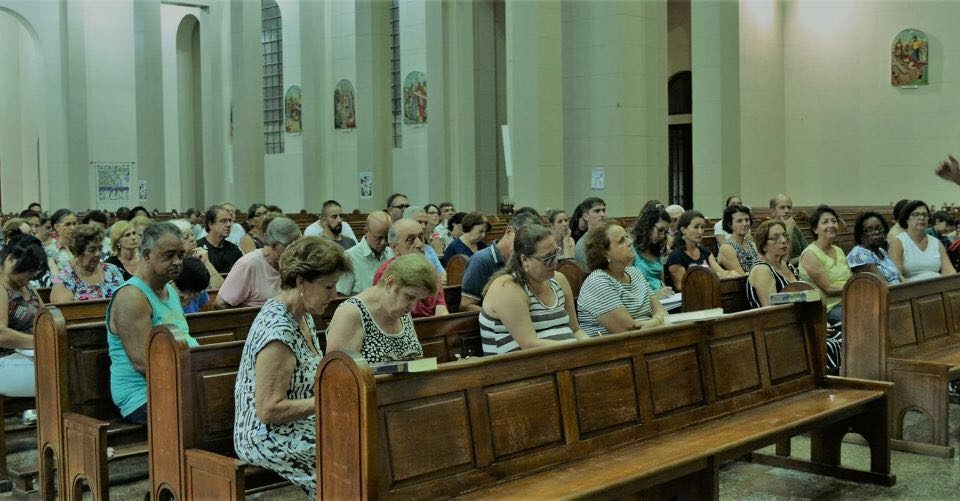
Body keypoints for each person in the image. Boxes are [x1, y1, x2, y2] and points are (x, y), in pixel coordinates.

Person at [234, 237, 350, 497]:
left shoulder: (304, 313)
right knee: (346, 453)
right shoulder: (278, 331)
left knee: (363, 436)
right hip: (265, 436)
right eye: (328, 287)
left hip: (298, 423)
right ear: (300, 282)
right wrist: (328, 402)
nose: (334, 295)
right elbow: (268, 410)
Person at [107, 222, 196, 424]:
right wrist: (197, 379)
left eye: (181, 255)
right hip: (142, 396)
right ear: (146, 255)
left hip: (175, 382)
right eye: (169, 255)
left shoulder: (170, 290)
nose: (177, 261)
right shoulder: (131, 296)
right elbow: (143, 362)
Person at [479, 224, 587, 355]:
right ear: (524, 259)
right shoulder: (508, 287)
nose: (555, 262)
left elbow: (575, 330)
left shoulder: (559, 280)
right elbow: (529, 344)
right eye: (547, 258)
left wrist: (590, 347)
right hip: (515, 369)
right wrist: (576, 351)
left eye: (556, 253)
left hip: (561, 361)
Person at [326, 253, 435, 362]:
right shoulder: (351, 313)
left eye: (419, 300)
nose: (413, 307)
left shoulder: (402, 312)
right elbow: (338, 373)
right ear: (390, 283)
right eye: (410, 297)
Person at [577, 221, 665, 337]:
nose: (630, 242)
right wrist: (658, 321)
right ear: (604, 253)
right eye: (621, 241)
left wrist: (654, 322)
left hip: (647, 340)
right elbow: (629, 331)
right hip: (614, 350)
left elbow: (663, 312)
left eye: (627, 237)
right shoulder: (598, 282)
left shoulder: (635, 273)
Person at [798, 204, 850, 373]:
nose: (831, 225)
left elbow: (848, 279)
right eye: (825, 222)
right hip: (826, 307)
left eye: (834, 221)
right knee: (859, 319)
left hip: (848, 300)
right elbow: (828, 288)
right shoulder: (810, 254)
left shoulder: (839, 250)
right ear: (815, 228)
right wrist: (857, 286)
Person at [460, 211, 540, 311]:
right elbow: (466, 305)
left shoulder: (525, 260)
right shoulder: (481, 260)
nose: (527, 245)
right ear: (509, 232)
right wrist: (499, 315)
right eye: (525, 239)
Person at [215, 217, 301, 308]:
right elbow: (220, 304)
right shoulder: (249, 264)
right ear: (274, 245)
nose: (297, 253)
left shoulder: (294, 264)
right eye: (291, 248)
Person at [0, 234, 47, 397]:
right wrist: (41, 342)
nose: (31, 276)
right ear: (10, 259)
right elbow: (1, 334)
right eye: (27, 271)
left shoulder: (29, 287)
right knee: (59, 373)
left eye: (33, 271)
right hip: (5, 361)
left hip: (32, 354)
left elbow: (46, 319)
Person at [372, 219, 449, 318]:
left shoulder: (430, 270)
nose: (420, 244)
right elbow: (387, 317)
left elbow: (441, 311)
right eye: (410, 240)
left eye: (421, 237)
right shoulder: (385, 274)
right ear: (395, 248)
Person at [50, 225, 125, 302]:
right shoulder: (65, 278)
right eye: (91, 250)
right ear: (77, 252)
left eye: (100, 248)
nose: (98, 254)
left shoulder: (112, 271)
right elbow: (63, 309)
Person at [666, 210, 736, 291]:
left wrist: (731, 274)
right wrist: (712, 278)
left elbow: (720, 272)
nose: (700, 231)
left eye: (702, 227)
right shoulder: (676, 256)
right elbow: (682, 286)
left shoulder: (704, 251)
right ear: (683, 230)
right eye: (696, 227)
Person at [888, 200, 956, 282]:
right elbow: (897, 276)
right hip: (913, 291)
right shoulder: (898, 242)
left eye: (925, 215)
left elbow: (949, 272)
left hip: (939, 288)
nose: (921, 218)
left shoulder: (936, 242)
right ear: (906, 219)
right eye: (916, 214)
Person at [336, 211, 393, 295]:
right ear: (366, 231)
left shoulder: (391, 253)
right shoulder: (350, 257)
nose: (383, 242)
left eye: (387, 237)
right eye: (379, 238)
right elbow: (341, 295)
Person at [746, 220, 798, 308]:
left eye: (784, 235)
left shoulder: (787, 265)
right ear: (763, 246)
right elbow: (771, 310)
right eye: (775, 238)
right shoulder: (762, 270)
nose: (783, 240)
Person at [846, 212, 901, 285]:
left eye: (879, 228)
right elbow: (882, 285)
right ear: (861, 235)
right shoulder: (859, 254)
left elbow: (898, 276)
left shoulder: (881, 251)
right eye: (869, 230)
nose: (877, 232)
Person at [168, 219, 225, 289]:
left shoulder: (198, 259)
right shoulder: (171, 266)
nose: (192, 238)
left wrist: (206, 262)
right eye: (186, 237)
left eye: (192, 235)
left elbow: (221, 288)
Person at [631, 206, 674, 299]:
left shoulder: (656, 249)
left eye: (665, 232)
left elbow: (661, 282)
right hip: (643, 301)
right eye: (660, 230)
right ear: (648, 225)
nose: (662, 236)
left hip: (662, 300)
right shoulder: (631, 249)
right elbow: (628, 288)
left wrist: (666, 291)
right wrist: (655, 295)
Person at [196, 205, 243, 274]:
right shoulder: (198, 248)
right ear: (210, 224)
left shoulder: (234, 249)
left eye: (230, 221)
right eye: (223, 221)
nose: (228, 225)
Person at [717, 204, 758, 274]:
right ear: (729, 224)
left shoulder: (751, 244)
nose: (745, 224)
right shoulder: (727, 248)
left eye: (747, 220)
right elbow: (741, 276)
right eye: (739, 221)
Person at [769, 194, 807, 265]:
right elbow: (783, 262)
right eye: (782, 208)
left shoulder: (793, 225)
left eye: (789, 207)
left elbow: (807, 250)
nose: (787, 211)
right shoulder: (769, 231)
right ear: (772, 212)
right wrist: (788, 231)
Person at [574, 197, 607, 266]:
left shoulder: (611, 236)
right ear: (586, 216)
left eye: (603, 210)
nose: (602, 215)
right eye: (597, 211)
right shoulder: (582, 245)